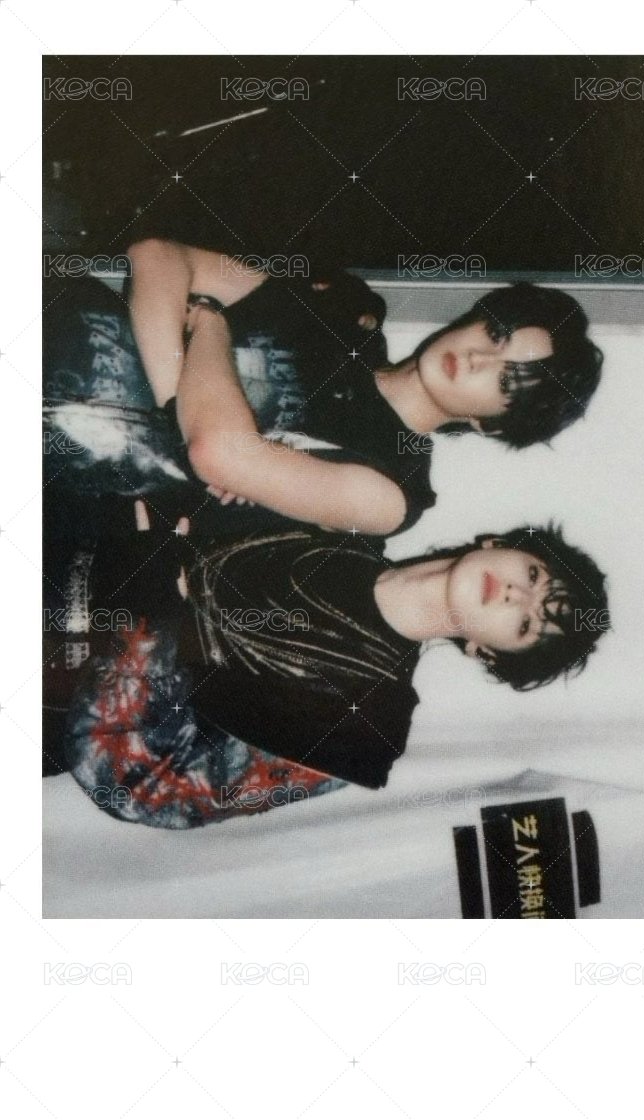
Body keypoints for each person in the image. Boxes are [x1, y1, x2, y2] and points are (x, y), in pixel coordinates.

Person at [48, 503, 610, 829]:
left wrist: (150, 612)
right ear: (499, 542)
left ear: (484, 652)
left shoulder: (367, 729)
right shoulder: (335, 517)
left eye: (526, 624)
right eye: (534, 577)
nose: (517, 595)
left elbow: (140, 787)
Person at [43, 239, 603, 539]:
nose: (480, 357)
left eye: (505, 378)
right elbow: (160, 257)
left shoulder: (394, 490)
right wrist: (176, 401)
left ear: (491, 424)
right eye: (498, 335)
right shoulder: (340, 319)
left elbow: (219, 451)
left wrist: (209, 322)